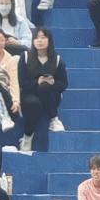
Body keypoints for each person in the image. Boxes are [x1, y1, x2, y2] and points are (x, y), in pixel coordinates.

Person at [17, 22, 66, 152]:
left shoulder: (57, 59)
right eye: (37, 38)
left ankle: (54, 120)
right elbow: (22, 82)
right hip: (29, 93)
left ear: (49, 40)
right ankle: (27, 137)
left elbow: (63, 84)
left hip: (50, 93)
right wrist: (36, 82)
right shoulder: (25, 57)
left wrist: (52, 83)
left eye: (43, 37)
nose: (39, 40)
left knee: (45, 87)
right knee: (34, 104)